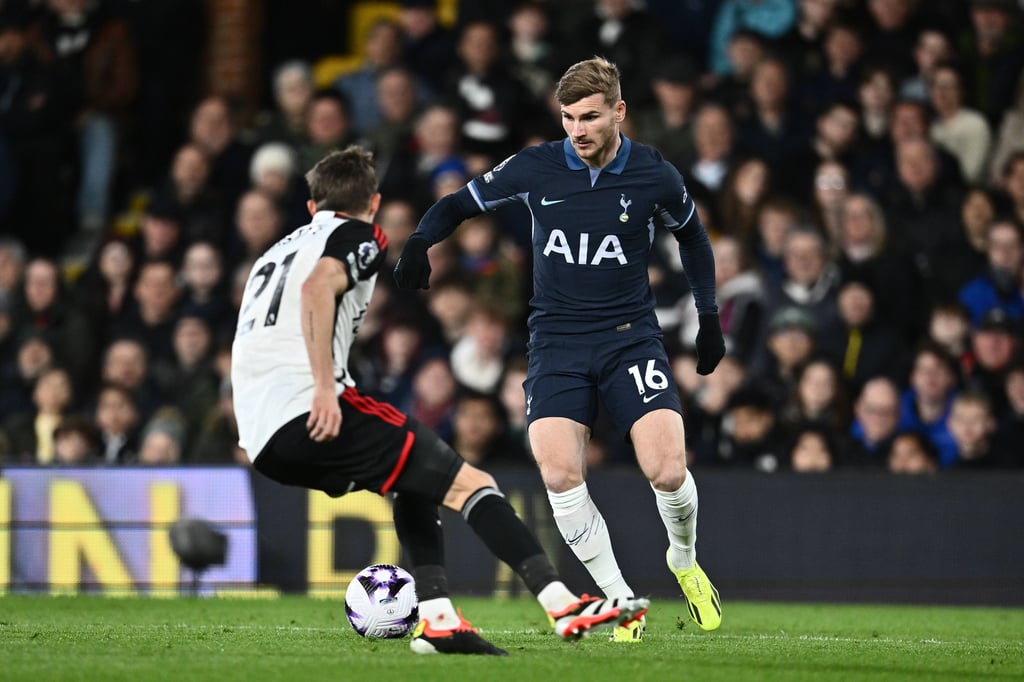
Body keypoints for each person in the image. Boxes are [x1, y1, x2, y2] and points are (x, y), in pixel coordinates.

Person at [231, 147, 647, 656]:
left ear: (311, 206)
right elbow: (319, 288)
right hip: (311, 404)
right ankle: (560, 601)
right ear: (375, 202)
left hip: (260, 433)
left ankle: (439, 621)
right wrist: (322, 385)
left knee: (414, 481)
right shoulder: (360, 233)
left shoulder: (271, 255)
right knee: (475, 483)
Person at [394, 57, 725, 641]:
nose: (578, 129)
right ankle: (621, 599)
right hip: (556, 344)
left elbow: (693, 238)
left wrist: (708, 316)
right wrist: (421, 239)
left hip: (630, 340)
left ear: (619, 112)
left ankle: (683, 560)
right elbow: (457, 205)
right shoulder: (536, 168)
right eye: (569, 117)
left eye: (591, 117)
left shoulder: (654, 174)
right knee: (558, 473)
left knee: (668, 471)